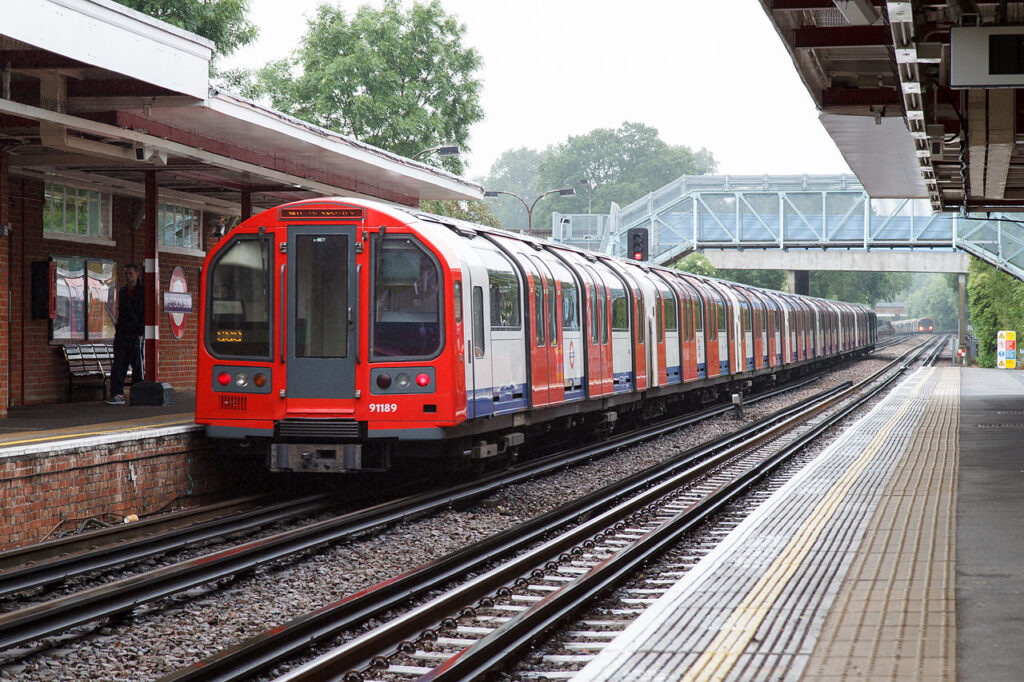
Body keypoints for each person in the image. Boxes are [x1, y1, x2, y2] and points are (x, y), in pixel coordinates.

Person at [105, 263, 145, 405]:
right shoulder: (122, 291)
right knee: (119, 363)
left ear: (137, 274)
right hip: (122, 332)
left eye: (131, 274)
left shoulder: (143, 292)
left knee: (137, 365)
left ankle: (139, 393)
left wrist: (140, 332)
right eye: (126, 274)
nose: (128, 277)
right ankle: (117, 394)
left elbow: (144, 313)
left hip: (135, 333)